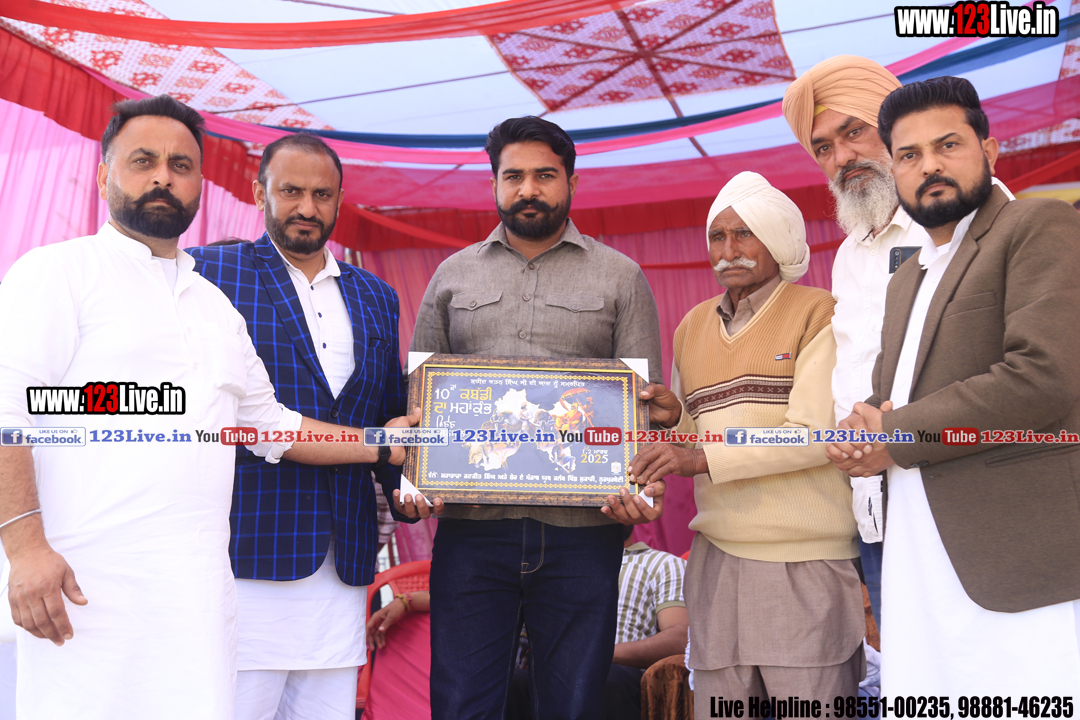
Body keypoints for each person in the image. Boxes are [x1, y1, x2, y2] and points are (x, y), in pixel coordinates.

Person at [0, 95, 415, 719]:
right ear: (104, 175)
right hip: (84, 587)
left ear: (199, 184)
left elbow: (273, 427)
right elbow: (9, 414)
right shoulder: (58, 273)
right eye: (143, 161)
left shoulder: (214, 307)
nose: (163, 177)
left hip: (198, 596)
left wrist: (384, 443)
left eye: (181, 165)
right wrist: (26, 548)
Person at [827, 76, 1080, 696]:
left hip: (1014, 551)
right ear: (893, 169)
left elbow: (1043, 377)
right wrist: (861, 432)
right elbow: (897, 400)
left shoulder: (1035, 225)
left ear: (988, 151)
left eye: (948, 145)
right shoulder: (907, 278)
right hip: (917, 553)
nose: (929, 166)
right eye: (909, 155)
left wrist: (892, 431)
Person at [406, 116, 665, 720]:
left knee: (572, 704)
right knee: (462, 702)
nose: (528, 189)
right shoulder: (452, 275)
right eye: (513, 176)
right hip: (472, 529)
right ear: (494, 184)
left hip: (584, 532)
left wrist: (641, 489)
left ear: (571, 182)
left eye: (545, 175)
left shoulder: (620, 276)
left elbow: (645, 405)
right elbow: (421, 397)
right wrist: (414, 480)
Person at [780, 56, 1017, 627]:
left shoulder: (968, 211)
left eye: (853, 132)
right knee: (907, 663)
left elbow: (1005, 358)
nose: (842, 157)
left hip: (969, 481)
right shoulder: (849, 252)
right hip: (877, 500)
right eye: (823, 148)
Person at [188, 132, 409, 720]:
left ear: (339, 200)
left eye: (322, 194)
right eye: (290, 191)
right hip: (245, 549)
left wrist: (411, 492)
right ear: (258, 192)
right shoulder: (210, 272)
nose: (307, 207)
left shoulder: (377, 296)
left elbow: (388, 414)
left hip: (344, 561)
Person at [628, 172, 864, 710]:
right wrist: (675, 420)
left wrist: (697, 455)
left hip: (802, 559)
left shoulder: (819, 311)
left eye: (744, 234)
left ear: (778, 240)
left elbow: (814, 435)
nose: (728, 251)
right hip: (715, 560)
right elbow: (696, 440)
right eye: (717, 236)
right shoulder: (691, 327)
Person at [505, 524, 689, 720]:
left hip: (615, 672)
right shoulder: (545, 565)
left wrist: (596, 657)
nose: (606, 509)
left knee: (605, 677)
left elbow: (680, 638)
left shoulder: (663, 563)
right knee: (510, 683)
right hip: (546, 672)